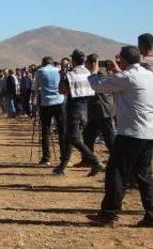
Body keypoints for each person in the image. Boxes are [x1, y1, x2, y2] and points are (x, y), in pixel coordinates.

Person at [86, 46, 153, 228]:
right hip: (148, 133)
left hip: (130, 133)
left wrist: (93, 71)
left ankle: (109, 214)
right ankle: (151, 214)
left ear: (123, 60)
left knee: (116, 173)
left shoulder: (126, 77)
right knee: (144, 175)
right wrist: (117, 72)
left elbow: (98, 86)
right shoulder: (148, 75)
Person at [54, 49, 104, 176]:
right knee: (70, 137)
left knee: (74, 138)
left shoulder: (71, 75)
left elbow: (62, 91)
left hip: (74, 108)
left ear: (74, 61)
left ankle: (95, 162)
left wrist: (62, 76)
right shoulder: (89, 73)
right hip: (87, 108)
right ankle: (62, 166)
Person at [79, 54, 115, 166]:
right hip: (93, 110)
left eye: (87, 63)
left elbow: (103, 91)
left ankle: (115, 161)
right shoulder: (91, 75)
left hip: (103, 110)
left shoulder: (102, 74)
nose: (85, 65)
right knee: (88, 135)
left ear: (93, 63)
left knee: (109, 137)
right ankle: (87, 159)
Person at [34, 57, 66, 166]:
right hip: (59, 102)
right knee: (62, 131)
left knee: (45, 131)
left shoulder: (40, 71)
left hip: (46, 103)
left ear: (43, 63)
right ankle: (64, 157)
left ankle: (46, 158)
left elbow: (35, 87)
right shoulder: (59, 71)